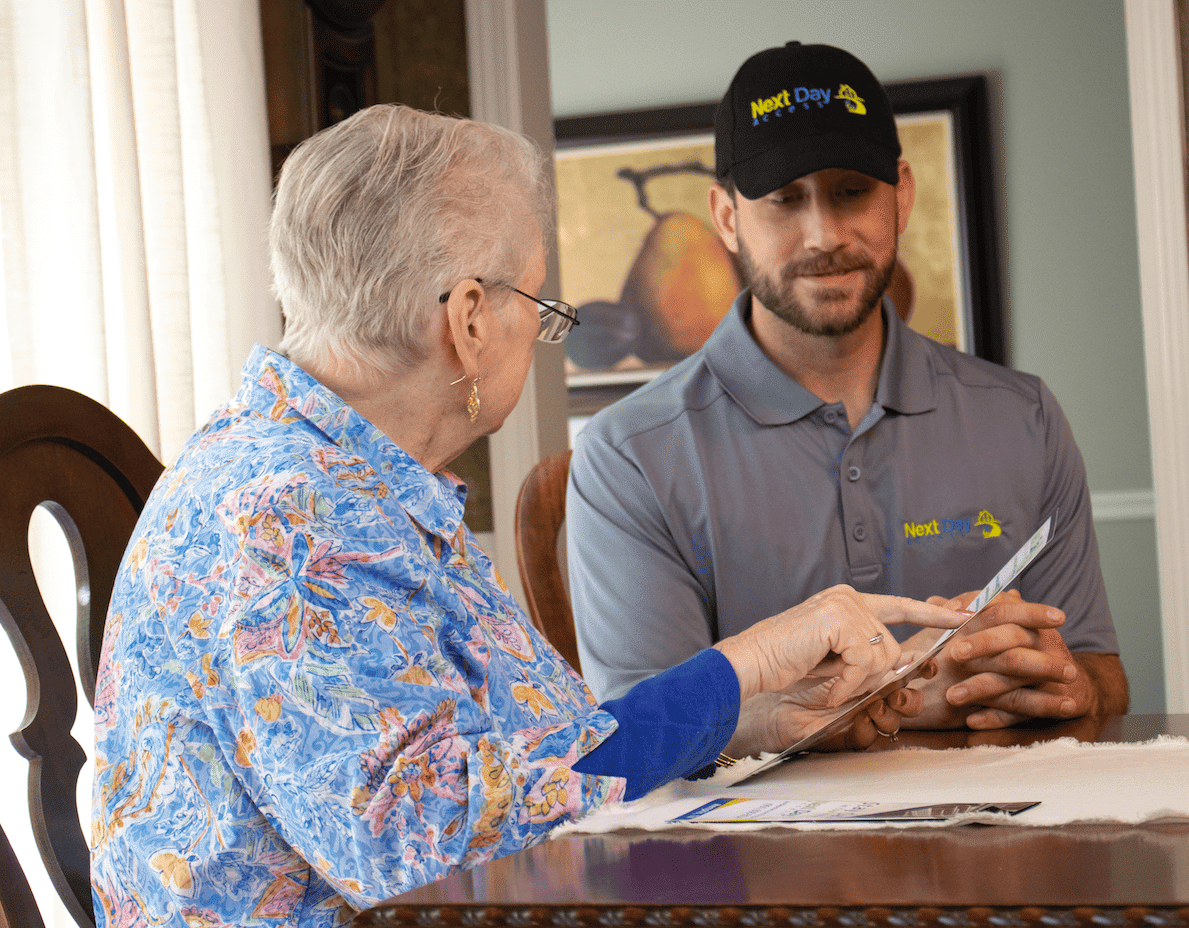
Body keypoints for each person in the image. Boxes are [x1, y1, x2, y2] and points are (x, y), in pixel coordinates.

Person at [88, 103, 963, 926]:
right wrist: (738, 666)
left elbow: (521, 768)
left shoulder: (352, 481)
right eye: (539, 307)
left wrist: (744, 718)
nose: (538, 337)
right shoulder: (284, 521)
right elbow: (431, 845)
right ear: (469, 319)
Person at [567, 41, 1130, 734]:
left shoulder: (1024, 419)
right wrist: (887, 696)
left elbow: (1101, 672)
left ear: (902, 192)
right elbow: (637, 735)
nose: (824, 233)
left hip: (1001, 837)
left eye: (851, 191)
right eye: (783, 199)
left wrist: (1067, 686)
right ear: (724, 217)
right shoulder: (628, 455)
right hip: (753, 844)